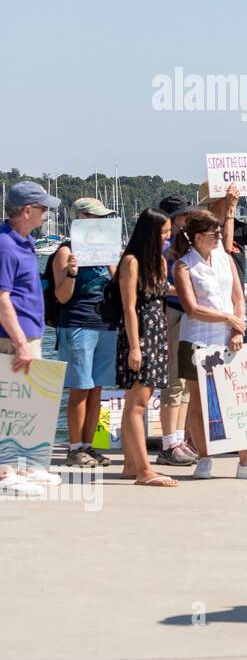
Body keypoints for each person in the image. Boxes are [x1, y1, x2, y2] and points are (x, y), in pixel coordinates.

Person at [171, 209, 247, 481]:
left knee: (237, 398)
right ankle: (205, 458)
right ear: (198, 237)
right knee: (199, 403)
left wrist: (236, 327)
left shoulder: (225, 257)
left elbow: (237, 295)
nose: (220, 236)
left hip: (228, 337)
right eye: (214, 233)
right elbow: (192, 308)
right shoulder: (183, 265)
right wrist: (228, 316)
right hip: (197, 338)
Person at [51, 197, 118, 468]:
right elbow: (62, 297)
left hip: (106, 324)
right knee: (80, 388)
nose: (100, 222)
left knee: (97, 389)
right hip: (78, 322)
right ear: (79, 218)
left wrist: (116, 266)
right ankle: (75, 447)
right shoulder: (66, 251)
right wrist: (72, 273)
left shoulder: (107, 250)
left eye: (103, 218)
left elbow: (118, 285)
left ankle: (89, 445)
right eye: (95, 217)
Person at [116, 208, 179, 487]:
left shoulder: (159, 262)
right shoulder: (131, 261)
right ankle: (144, 470)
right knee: (137, 403)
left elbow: (164, 292)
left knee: (136, 401)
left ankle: (131, 465)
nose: (167, 237)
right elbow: (129, 306)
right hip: (139, 334)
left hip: (156, 332)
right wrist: (134, 347)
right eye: (164, 232)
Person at [155, 195, 199, 466]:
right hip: (173, 311)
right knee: (174, 379)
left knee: (184, 382)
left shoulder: (183, 245)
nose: (187, 220)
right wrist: (188, 292)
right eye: (183, 216)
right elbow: (160, 285)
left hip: (186, 312)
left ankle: (179, 439)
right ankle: (169, 442)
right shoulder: (164, 248)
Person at [0, 181, 58, 376]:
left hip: (26, 335)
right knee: (20, 407)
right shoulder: (6, 246)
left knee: (30, 407)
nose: (45, 213)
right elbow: (2, 298)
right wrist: (21, 343)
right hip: (13, 339)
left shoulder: (26, 241)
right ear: (27, 211)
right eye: (42, 208)